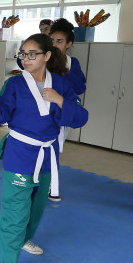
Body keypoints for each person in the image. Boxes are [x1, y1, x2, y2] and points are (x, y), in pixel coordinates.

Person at [0, 33, 88, 263]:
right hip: (20, 155)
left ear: (47, 56)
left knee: (37, 208)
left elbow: (80, 117)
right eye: (23, 54)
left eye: (31, 54)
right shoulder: (16, 84)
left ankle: (25, 237)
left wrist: (60, 100)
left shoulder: (60, 84)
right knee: (14, 216)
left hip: (47, 156)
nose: (25, 58)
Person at [47, 18, 87, 201]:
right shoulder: (43, 57)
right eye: (52, 40)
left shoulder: (73, 63)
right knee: (44, 144)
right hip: (44, 108)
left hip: (64, 108)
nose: (55, 44)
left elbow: (80, 88)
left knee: (53, 147)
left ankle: (49, 184)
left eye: (60, 41)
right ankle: (43, 183)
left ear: (69, 44)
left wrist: (64, 74)